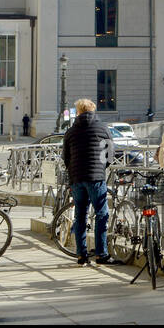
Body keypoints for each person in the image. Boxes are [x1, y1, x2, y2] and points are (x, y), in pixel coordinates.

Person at [60, 98, 117, 266]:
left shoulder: (70, 131)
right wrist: (101, 166)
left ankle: (81, 255)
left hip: (77, 178)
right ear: (93, 111)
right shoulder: (102, 128)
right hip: (96, 177)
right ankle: (101, 254)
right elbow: (110, 153)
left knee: (80, 215)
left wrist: (73, 170)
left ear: (78, 112)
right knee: (101, 214)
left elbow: (66, 157)